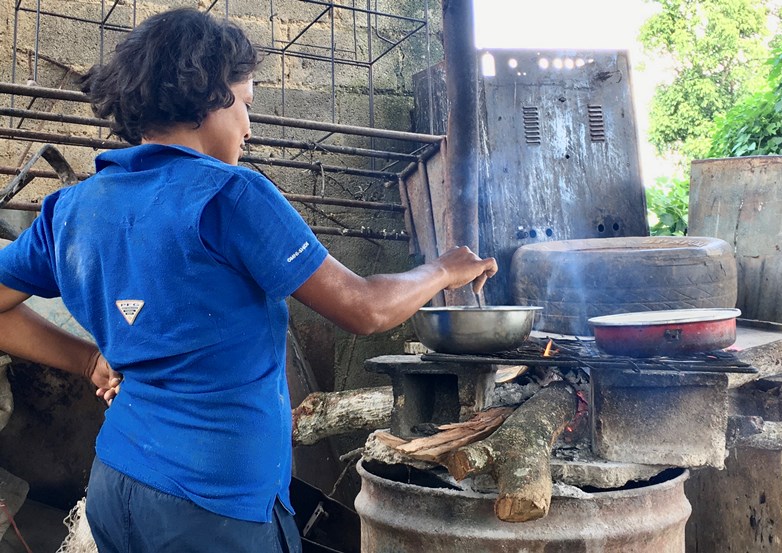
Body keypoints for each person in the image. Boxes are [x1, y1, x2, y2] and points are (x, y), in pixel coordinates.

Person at [0, 8, 497, 553]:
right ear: (209, 97)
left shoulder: (69, 209)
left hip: (116, 486)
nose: (248, 127)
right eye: (246, 104)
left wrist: (87, 360)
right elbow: (365, 308)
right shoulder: (230, 194)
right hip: (213, 506)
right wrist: (443, 269)